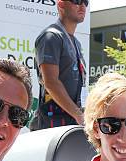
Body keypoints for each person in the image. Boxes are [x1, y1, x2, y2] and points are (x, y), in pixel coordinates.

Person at [32, 0, 87, 129]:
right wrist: (79, 115)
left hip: (71, 120)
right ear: (61, 5)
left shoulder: (76, 42)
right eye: (77, 1)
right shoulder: (51, 36)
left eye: (86, 2)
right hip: (53, 122)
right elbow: (51, 82)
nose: (82, 6)